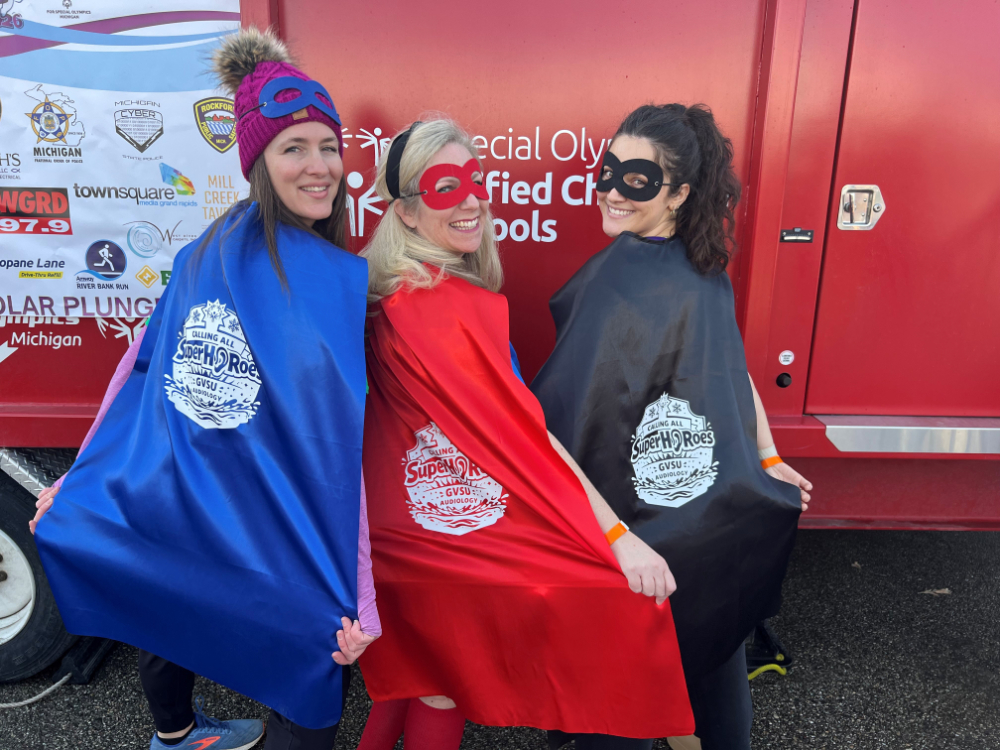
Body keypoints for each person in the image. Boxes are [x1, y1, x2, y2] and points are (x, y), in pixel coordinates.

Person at [31, 28, 377, 750]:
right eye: (293, 148)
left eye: (328, 146)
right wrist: (363, 595)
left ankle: (176, 734)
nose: (320, 166)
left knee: (170, 597)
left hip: (192, 505)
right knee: (312, 663)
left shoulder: (206, 251)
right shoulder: (324, 280)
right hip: (269, 524)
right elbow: (333, 451)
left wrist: (82, 474)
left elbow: (135, 368)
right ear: (257, 161)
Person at [354, 118, 695, 750]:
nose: (470, 200)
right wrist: (617, 538)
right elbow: (525, 440)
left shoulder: (386, 288)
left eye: (473, 180)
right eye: (444, 186)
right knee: (447, 681)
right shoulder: (442, 307)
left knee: (410, 675)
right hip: (438, 537)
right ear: (404, 211)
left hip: (394, 527)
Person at [531, 103, 811, 750]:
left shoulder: (665, 281)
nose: (611, 190)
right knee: (697, 685)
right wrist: (763, 456)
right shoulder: (673, 275)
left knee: (647, 705)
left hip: (658, 541)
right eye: (608, 171)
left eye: (636, 179)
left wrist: (769, 456)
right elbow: (562, 422)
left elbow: (727, 370)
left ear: (679, 193)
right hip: (675, 537)